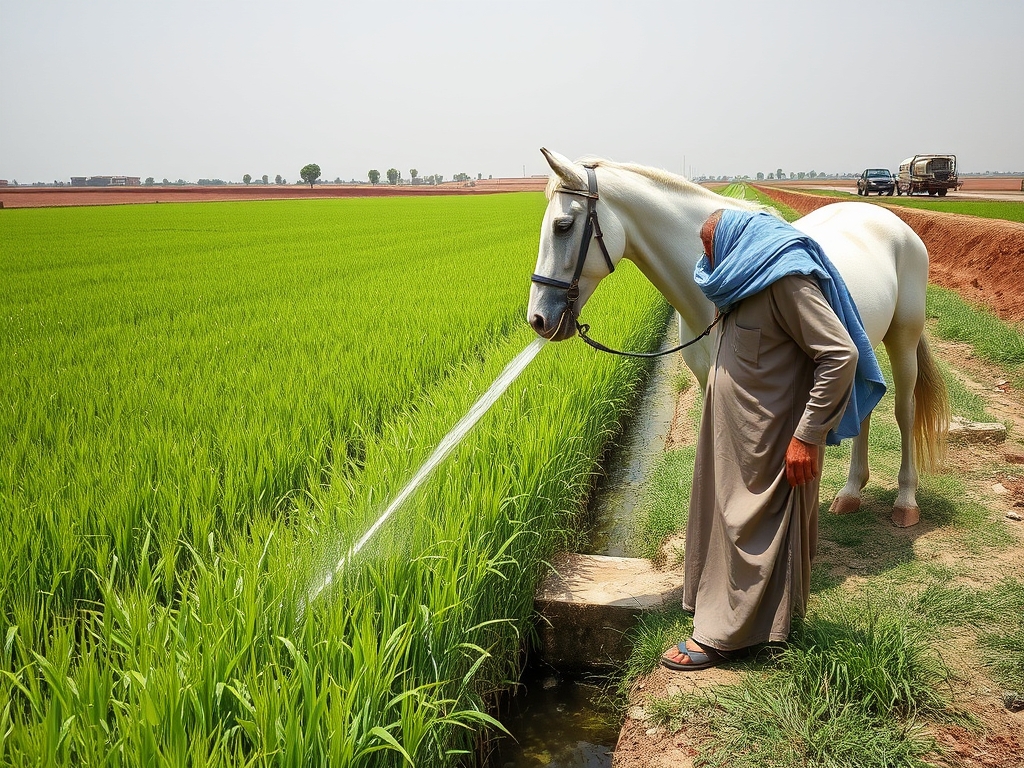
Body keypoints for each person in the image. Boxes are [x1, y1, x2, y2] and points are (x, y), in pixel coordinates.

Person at [660, 208, 886, 671]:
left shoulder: (785, 282)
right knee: (729, 522)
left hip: (772, 439)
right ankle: (734, 615)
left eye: (713, 249)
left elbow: (839, 355)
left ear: (740, 244)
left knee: (752, 530)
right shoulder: (743, 282)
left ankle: (726, 639)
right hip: (738, 436)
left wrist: (806, 435)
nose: (709, 259)